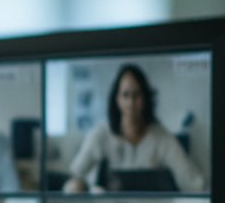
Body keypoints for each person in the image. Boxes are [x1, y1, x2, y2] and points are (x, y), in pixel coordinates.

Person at [64, 63, 206, 192]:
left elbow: (193, 181)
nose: (131, 102)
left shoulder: (161, 137)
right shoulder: (100, 135)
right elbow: (74, 177)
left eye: (136, 95)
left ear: (145, 98)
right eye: (125, 95)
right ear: (117, 99)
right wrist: (78, 185)